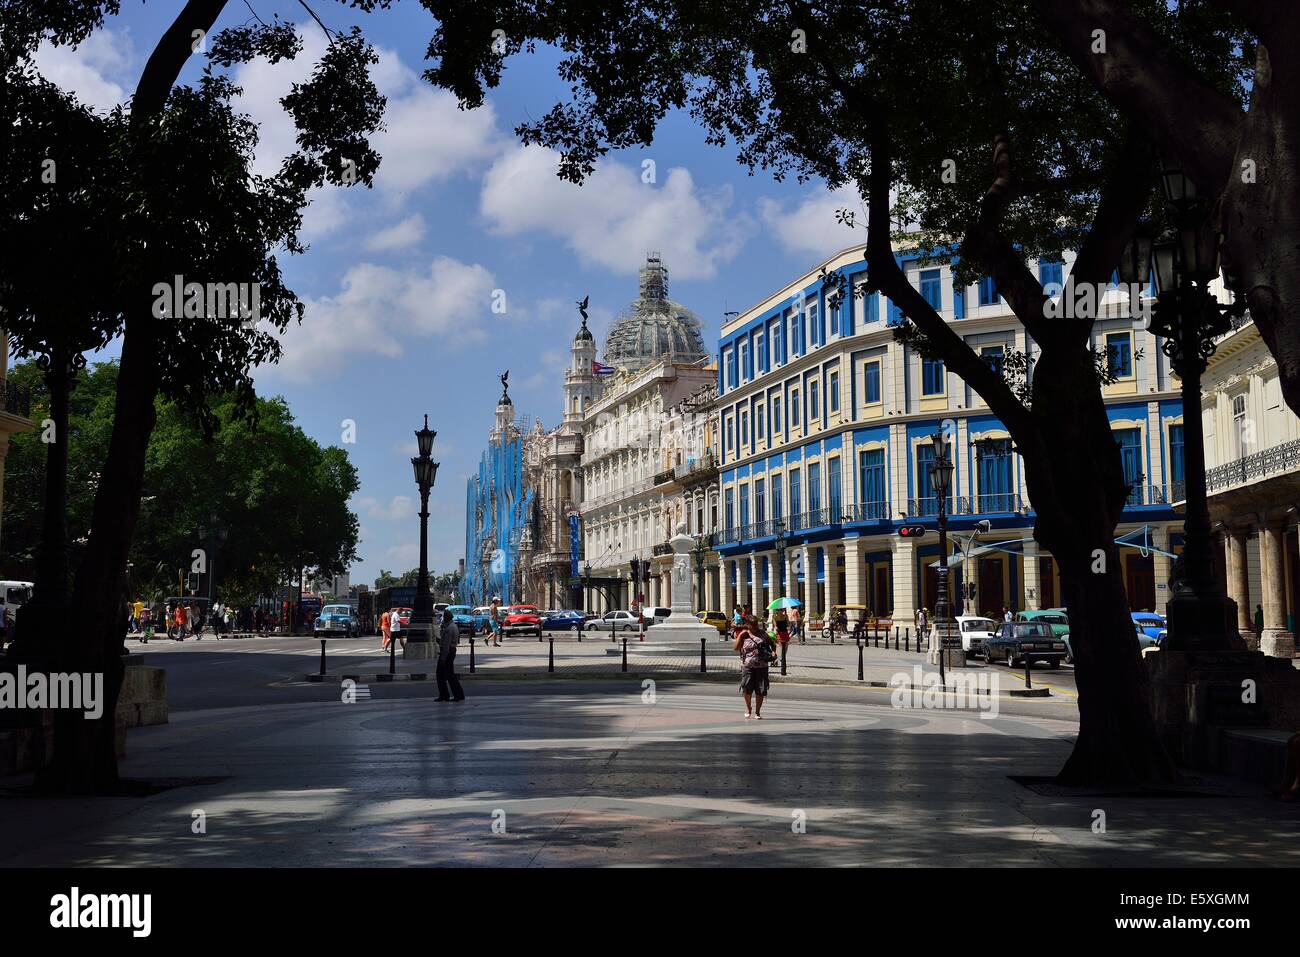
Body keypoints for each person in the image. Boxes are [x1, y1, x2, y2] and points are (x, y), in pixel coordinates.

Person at [734, 610, 772, 719]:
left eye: (756, 624)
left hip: (762, 666)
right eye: (753, 625)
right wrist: (740, 635)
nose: (755, 627)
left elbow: (772, 644)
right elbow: (736, 648)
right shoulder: (744, 635)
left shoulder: (763, 634)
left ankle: (757, 712)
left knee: (760, 690)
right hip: (748, 666)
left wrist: (773, 652)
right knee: (747, 689)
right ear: (748, 625)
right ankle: (748, 708)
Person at [435, 609, 465, 702]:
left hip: (447, 652)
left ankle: (445, 695)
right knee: (450, 674)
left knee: (441, 675)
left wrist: (443, 658)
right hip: (451, 651)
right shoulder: (453, 626)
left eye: (444, 617)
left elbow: (447, 645)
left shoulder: (449, 629)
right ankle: (458, 694)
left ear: (447, 618)